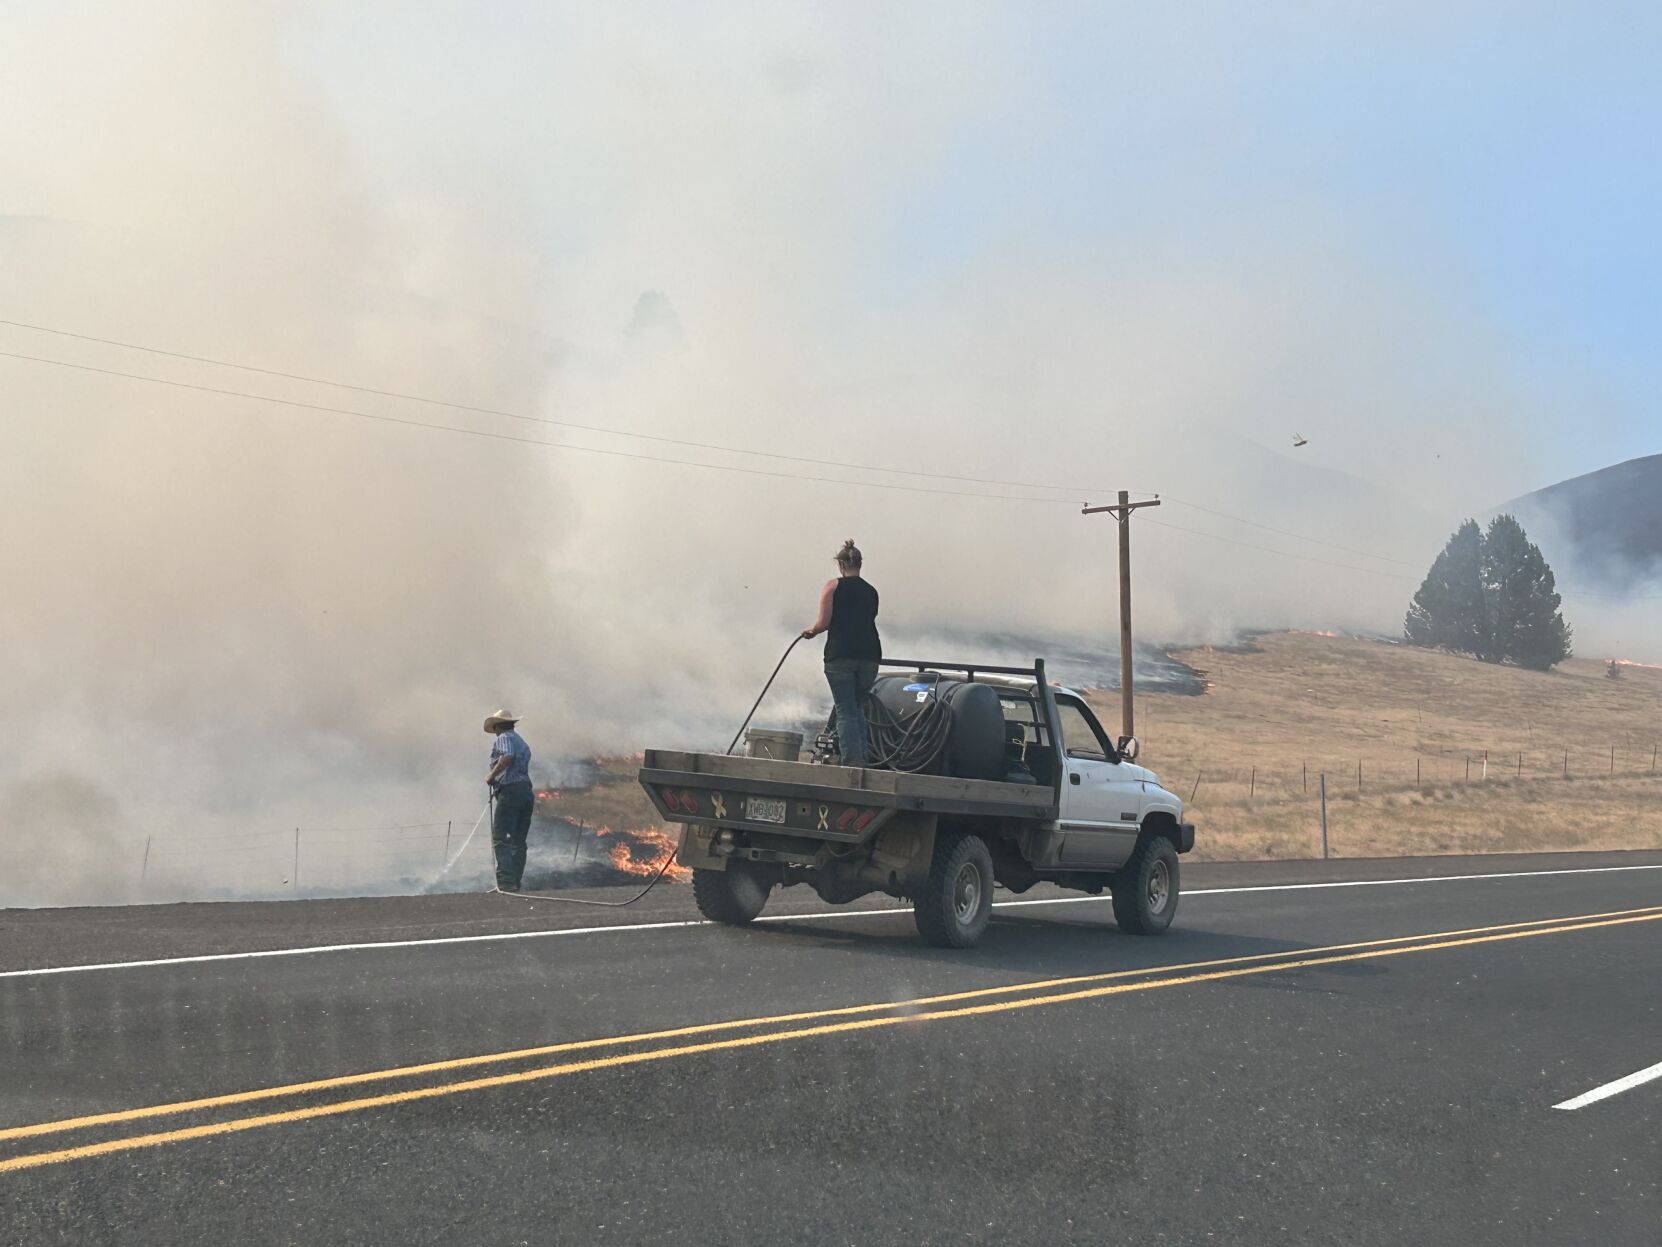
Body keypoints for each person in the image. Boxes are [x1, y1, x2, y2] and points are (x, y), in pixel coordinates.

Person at [801, 539, 881, 766]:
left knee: (845, 710)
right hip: (870, 657)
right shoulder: (872, 592)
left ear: (841, 565)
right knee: (856, 708)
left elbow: (824, 623)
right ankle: (862, 759)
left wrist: (811, 631)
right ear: (860, 564)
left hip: (840, 656)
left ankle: (852, 762)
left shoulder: (832, 586)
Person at [483, 710, 533, 891]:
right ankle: (515, 882)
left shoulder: (503, 738)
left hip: (510, 792)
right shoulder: (523, 742)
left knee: (501, 839)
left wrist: (492, 775)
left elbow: (507, 756)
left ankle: (505, 883)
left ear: (498, 727)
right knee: (519, 841)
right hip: (526, 792)